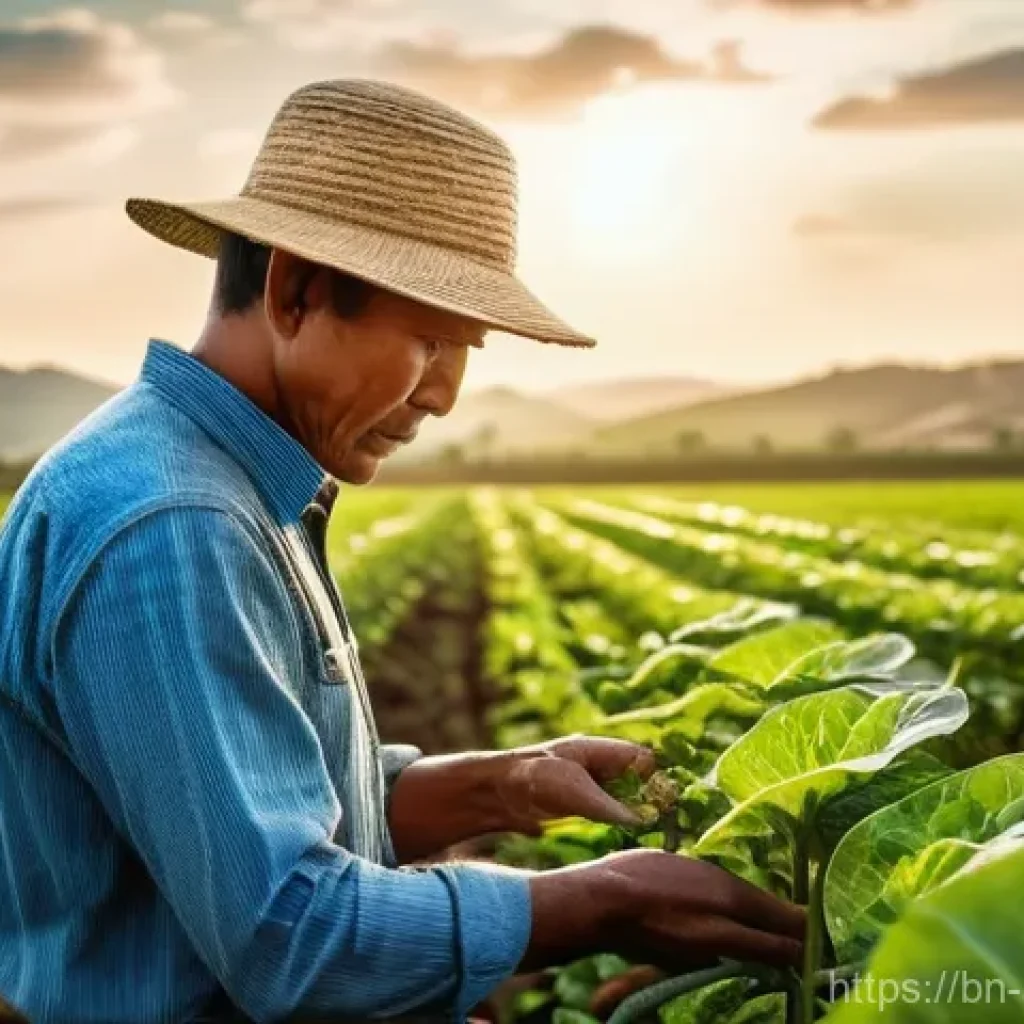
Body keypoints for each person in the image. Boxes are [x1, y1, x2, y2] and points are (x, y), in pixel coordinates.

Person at [0, 79, 804, 1024]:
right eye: (429, 340)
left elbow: (252, 798)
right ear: (294, 290)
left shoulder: (216, 479)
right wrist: (606, 902)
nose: (445, 396)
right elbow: (288, 939)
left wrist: (503, 784)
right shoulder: (177, 522)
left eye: (467, 349)